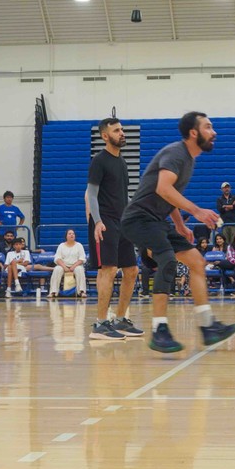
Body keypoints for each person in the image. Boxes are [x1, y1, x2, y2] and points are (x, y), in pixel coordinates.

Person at [119, 112, 235, 353]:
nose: (213, 132)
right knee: (167, 261)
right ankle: (159, 330)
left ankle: (208, 327)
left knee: (196, 261)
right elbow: (163, 188)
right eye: (208, 127)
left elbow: (168, 195)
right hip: (138, 219)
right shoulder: (176, 153)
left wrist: (180, 225)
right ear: (194, 133)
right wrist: (196, 211)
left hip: (156, 220)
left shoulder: (188, 160)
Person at [86, 117, 143, 341]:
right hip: (105, 222)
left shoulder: (122, 162)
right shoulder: (99, 161)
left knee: (131, 270)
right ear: (105, 136)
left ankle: (120, 319)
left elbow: (122, 194)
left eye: (122, 129)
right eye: (116, 130)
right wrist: (98, 221)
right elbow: (91, 193)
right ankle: (100, 324)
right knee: (108, 270)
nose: (121, 133)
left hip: (123, 222)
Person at [50, 228, 88, 299]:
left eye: (73, 234)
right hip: (63, 265)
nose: (72, 235)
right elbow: (57, 258)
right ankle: (53, 292)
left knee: (80, 270)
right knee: (57, 269)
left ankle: (82, 291)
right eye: (70, 234)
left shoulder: (79, 245)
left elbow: (82, 259)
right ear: (66, 236)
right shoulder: (61, 245)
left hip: (76, 265)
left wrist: (73, 266)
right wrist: (64, 267)